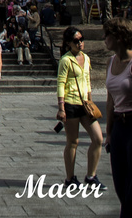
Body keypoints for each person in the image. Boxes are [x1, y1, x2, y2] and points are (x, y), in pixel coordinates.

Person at [56, 25, 104, 190]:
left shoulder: (86, 57)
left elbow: (88, 81)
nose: (80, 43)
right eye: (77, 41)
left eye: (82, 39)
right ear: (69, 43)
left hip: (85, 105)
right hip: (70, 103)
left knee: (98, 139)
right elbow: (61, 84)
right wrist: (61, 107)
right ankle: (70, 178)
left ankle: (91, 176)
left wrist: (90, 100)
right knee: (73, 142)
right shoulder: (65, 60)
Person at [103, 16, 132, 215]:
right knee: (120, 184)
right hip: (119, 127)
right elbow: (110, 100)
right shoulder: (111, 62)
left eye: (107, 35)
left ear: (119, 37)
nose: (104, 38)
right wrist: (109, 132)